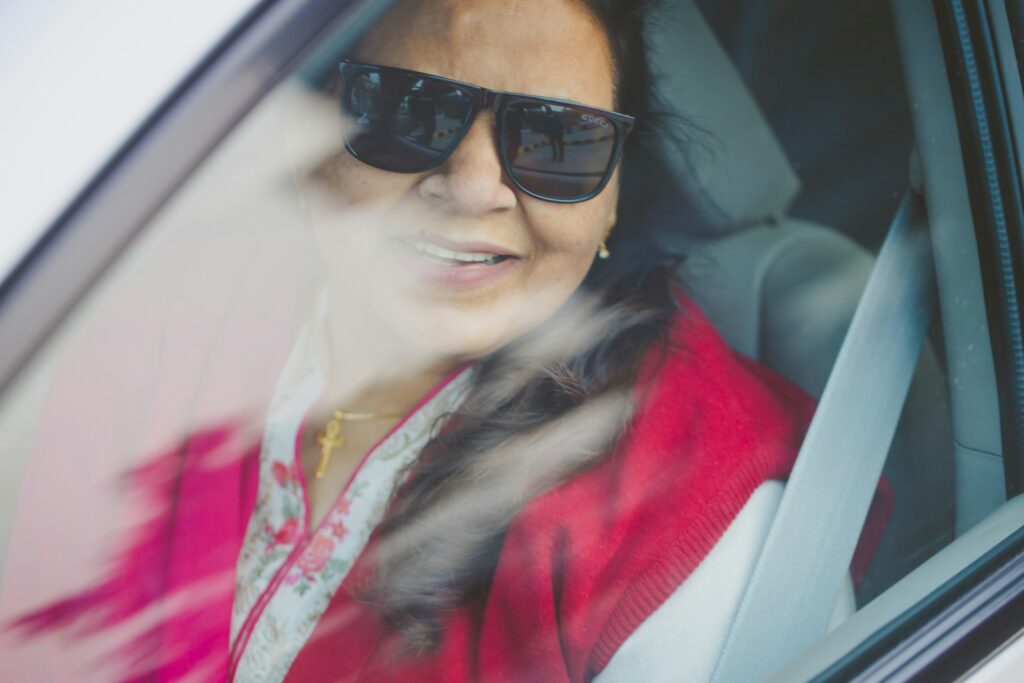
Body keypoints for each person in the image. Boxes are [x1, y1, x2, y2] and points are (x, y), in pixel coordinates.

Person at [7, 0, 888, 681]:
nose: (472, 188)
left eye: (555, 139)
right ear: (319, 138)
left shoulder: (697, 509)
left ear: (614, 195)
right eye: (408, 111)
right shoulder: (144, 299)